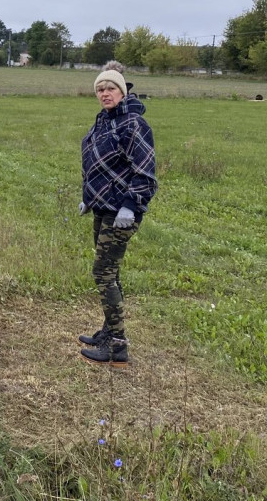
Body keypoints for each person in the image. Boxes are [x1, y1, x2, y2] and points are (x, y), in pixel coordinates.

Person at [78, 63, 157, 365]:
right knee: (112, 272)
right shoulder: (103, 121)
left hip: (122, 211)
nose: (104, 93)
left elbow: (145, 172)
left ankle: (118, 346)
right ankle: (109, 332)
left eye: (110, 88)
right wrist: (88, 198)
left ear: (122, 91)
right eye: (100, 89)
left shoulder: (134, 123)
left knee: (103, 272)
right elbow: (95, 165)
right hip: (102, 207)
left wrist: (131, 204)